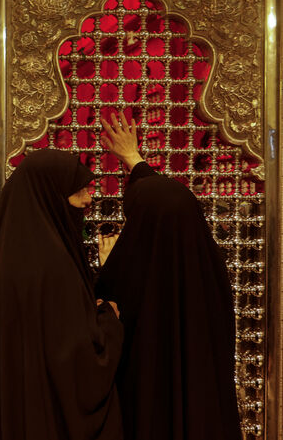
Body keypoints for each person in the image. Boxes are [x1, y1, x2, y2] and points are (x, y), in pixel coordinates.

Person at [96, 113, 241, 440]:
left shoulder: (130, 274)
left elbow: (105, 330)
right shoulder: (208, 274)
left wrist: (107, 268)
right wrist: (135, 162)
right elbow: (170, 202)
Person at [0, 149, 124, 440]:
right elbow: (81, 365)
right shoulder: (54, 267)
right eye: (78, 190)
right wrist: (109, 320)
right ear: (49, 195)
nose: (88, 199)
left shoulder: (7, 259)